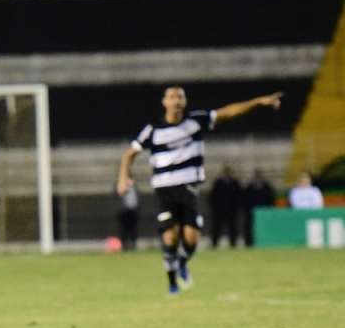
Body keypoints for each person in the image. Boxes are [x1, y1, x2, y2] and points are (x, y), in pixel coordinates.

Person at [116, 86, 282, 295]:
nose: (176, 101)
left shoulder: (196, 121)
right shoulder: (153, 129)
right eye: (172, 97)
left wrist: (258, 101)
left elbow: (228, 112)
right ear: (164, 102)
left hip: (189, 188)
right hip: (165, 191)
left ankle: (182, 263)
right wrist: (123, 178)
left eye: (180, 97)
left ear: (185, 102)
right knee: (170, 237)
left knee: (192, 239)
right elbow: (129, 154)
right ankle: (172, 283)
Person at [208, 164, 243, 248]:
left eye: (228, 172)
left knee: (233, 227)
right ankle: (214, 243)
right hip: (219, 209)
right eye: (226, 172)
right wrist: (214, 207)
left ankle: (233, 243)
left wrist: (237, 206)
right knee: (216, 227)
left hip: (232, 209)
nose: (227, 174)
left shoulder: (235, 182)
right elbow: (213, 196)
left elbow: (239, 195)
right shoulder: (218, 182)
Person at [242, 168, 276, 246]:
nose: (258, 177)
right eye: (256, 175)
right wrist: (248, 209)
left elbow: (271, 198)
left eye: (259, 175)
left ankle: (266, 241)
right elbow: (245, 199)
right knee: (249, 227)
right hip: (251, 211)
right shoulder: (249, 187)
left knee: (266, 227)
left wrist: (269, 208)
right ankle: (249, 243)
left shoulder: (267, 186)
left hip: (264, 211)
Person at [116, 181, 139, 251]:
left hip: (133, 210)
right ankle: (124, 245)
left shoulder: (134, 185)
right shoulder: (119, 184)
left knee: (133, 229)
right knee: (123, 229)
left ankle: (133, 244)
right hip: (123, 211)